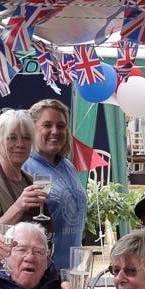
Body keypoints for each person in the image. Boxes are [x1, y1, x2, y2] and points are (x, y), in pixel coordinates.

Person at [26, 98, 87, 265]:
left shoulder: (67, 165)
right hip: (44, 273)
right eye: (47, 125)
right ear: (32, 129)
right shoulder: (26, 167)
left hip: (72, 268)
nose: (55, 131)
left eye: (61, 126)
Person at [0, 108, 50, 233]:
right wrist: (19, 206)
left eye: (26, 138)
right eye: (12, 138)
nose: (20, 144)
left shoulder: (30, 180)